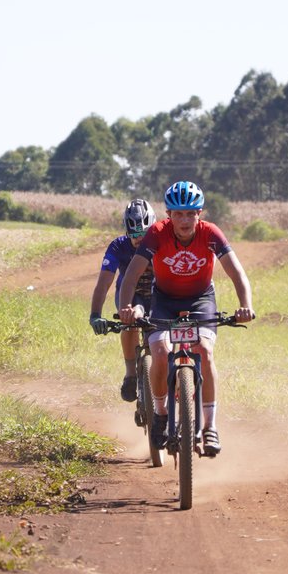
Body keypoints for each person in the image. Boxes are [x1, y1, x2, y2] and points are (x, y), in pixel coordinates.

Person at [117, 180, 254, 458]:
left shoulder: (211, 234)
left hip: (201, 299)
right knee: (159, 351)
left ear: (199, 213)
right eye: (178, 214)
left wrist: (245, 306)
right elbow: (131, 275)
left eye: (191, 213)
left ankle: (210, 426)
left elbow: (237, 272)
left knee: (204, 350)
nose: (185, 220)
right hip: (164, 300)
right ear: (169, 215)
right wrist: (126, 307)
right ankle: (160, 413)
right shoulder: (156, 234)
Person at [89, 198, 157, 402]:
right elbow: (103, 283)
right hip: (130, 294)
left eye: (144, 233)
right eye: (134, 234)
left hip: (157, 293)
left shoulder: (162, 242)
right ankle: (131, 374)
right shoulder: (118, 246)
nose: (139, 239)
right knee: (128, 323)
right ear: (126, 232)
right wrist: (95, 315)